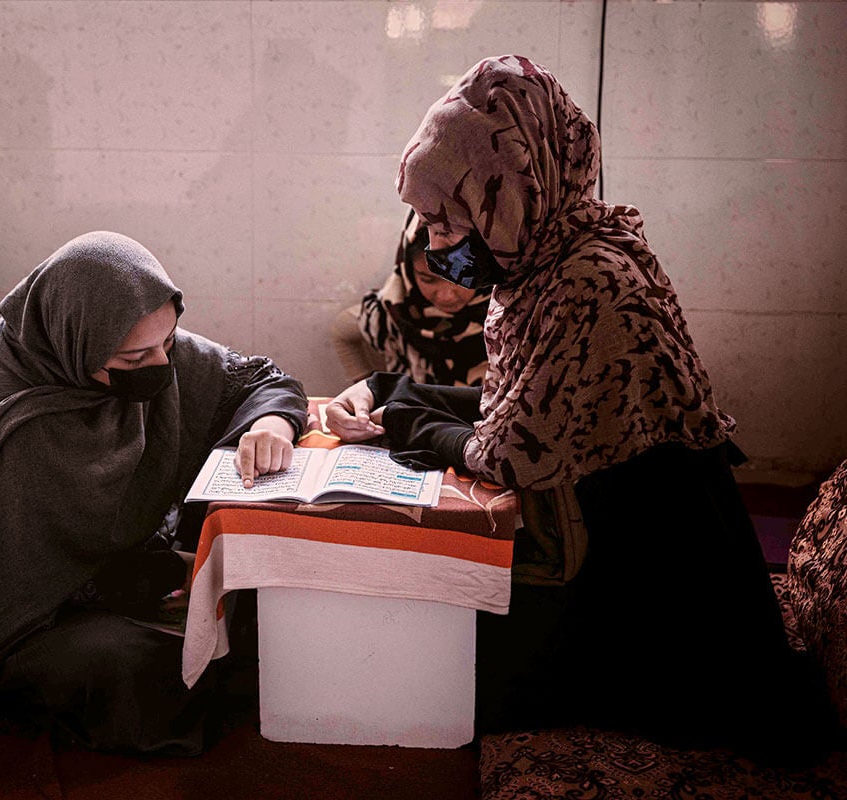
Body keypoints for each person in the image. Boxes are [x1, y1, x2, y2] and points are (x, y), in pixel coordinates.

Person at [325, 55, 832, 759]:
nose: (436, 245)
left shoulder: (587, 282)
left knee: (436, 667)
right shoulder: (557, 259)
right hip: (603, 553)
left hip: (657, 603)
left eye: (447, 221)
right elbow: (523, 402)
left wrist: (405, 417)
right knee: (418, 638)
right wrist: (390, 392)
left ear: (507, 194)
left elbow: (510, 453)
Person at [0, 231, 308, 755]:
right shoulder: (5, 422)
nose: (162, 368)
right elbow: (4, 581)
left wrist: (274, 423)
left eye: (168, 343)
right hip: (2, 617)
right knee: (141, 665)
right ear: (76, 341)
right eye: (134, 358)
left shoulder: (140, 348)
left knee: (253, 611)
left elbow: (259, 378)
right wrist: (161, 577)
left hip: (121, 578)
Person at [331, 209, 490, 385]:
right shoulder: (391, 310)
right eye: (428, 280)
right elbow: (341, 331)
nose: (447, 295)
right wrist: (365, 387)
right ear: (409, 272)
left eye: (461, 278)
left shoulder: (509, 312)